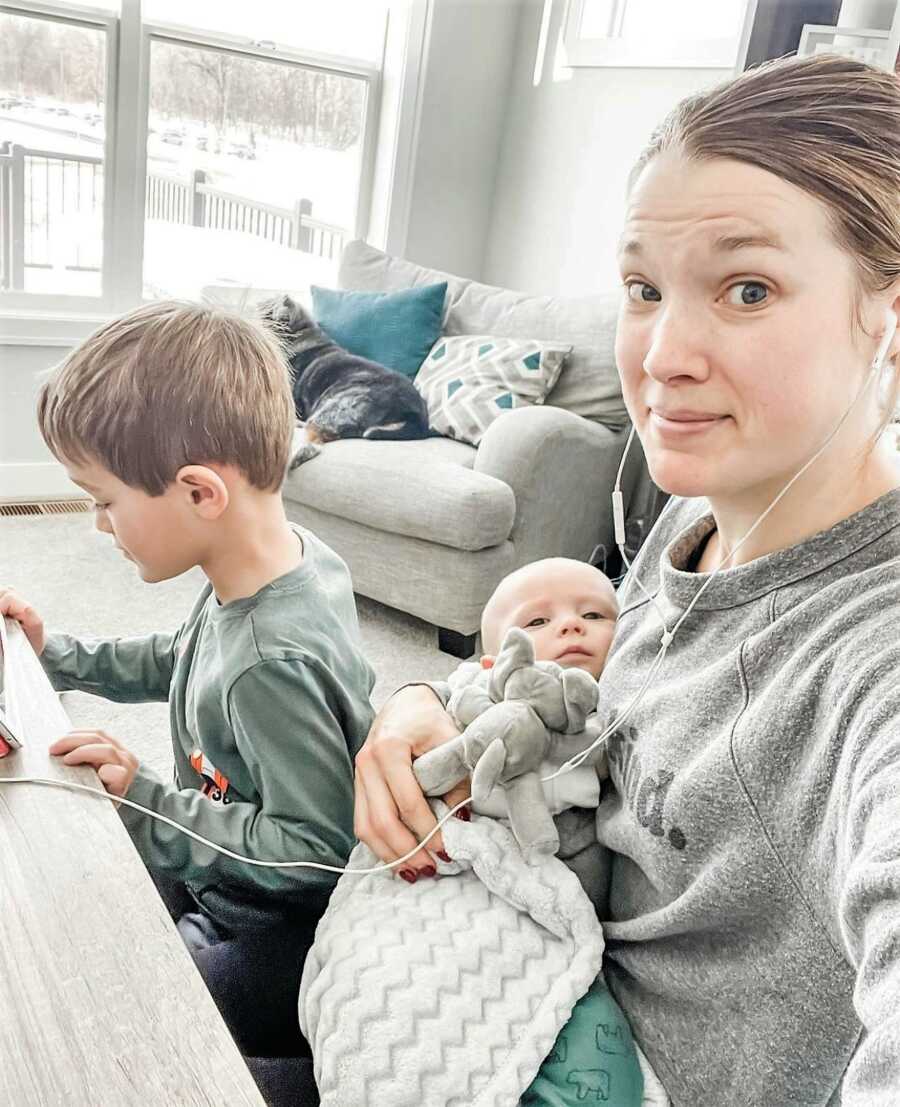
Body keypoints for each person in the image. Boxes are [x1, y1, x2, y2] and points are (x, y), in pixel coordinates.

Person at [352, 53, 900, 1106]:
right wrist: (431, 700)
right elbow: (598, 693)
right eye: (645, 288)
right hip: (535, 983)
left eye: (748, 289)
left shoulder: (873, 656)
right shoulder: (696, 517)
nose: (663, 354)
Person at [0, 302, 375, 1081]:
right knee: (92, 884)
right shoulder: (280, 564)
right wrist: (58, 655)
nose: (97, 525)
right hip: (237, 875)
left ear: (201, 492)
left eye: (104, 500)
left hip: (284, 929)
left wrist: (149, 799)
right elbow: (183, 654)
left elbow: (316, 851)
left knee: (129, 1012)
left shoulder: (271, 659)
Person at [302, 557, 669, 1107]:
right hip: (452, 897)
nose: (569, 625)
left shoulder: (628, 720)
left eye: (594, 613)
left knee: (605, 1079)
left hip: (554, 925)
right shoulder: (477, 706)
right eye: (537, 623)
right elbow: (432, 747)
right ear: (495, 663)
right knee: (386, 1002)